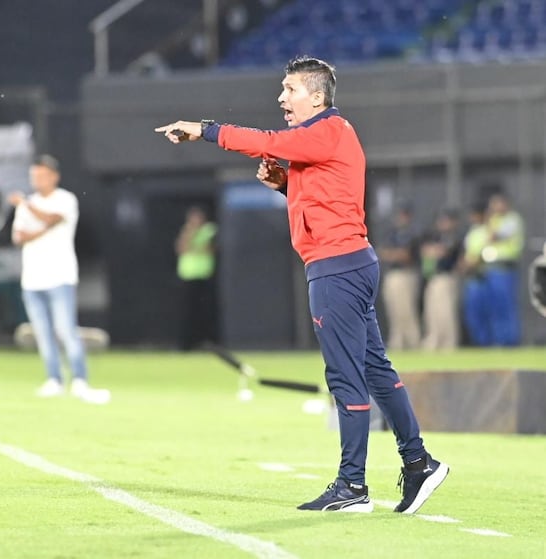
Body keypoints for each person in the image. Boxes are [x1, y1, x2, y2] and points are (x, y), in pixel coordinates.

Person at [155, 55, 448, 514]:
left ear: (316, 96)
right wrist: (284, 186)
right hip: (344, 262)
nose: (281, 98)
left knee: (346, 378)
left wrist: (205, 129)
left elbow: (269, 141)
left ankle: (353, 486)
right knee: (374, 371)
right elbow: (323, 200)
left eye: (289, 89)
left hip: (337, 267)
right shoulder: (325, 140)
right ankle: (418, 463)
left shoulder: (328, 129)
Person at [8, 154, 109, 404]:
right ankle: (54, 379)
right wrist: (39, 227)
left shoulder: (65, 199)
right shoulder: (28, 204)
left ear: (54, 176)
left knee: (66, 330)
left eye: (42, 175)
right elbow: (19, 237)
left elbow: (53, 218)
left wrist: (28, 208)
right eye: (34, 176)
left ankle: (80, 380)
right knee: (43, 334)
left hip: (60, 276)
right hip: (32, 279)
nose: (37, 180)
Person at [377, 202, 422, 350]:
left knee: (406, 310)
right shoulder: (392, 232)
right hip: (392, 274)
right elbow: (382, 252)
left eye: (404, 214)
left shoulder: (413, 233)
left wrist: (393, 254)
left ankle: (413, 342)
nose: (401, 217)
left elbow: (406, 256)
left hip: (406, 274)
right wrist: (393, 254)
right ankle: (398, 342)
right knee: (394, 311)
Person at [483, 191, 524, 346]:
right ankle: (499, 339)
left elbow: (494, 236)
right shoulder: (494, 219)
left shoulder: (513, 219)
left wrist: (489, 218)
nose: (495, 207)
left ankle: (511, 340)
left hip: (506, 267)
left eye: (498, 203)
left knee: (507, 305)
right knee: (495, 307)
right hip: (492, 268)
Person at [419, 208, 463, 350]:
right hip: (434, 276)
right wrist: (432, 251)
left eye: (446, 220)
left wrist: (433, 251)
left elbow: (442, 252)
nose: (443, 223)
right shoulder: (437, 236)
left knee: (445, 312)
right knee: (432, 311)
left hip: (447, 277)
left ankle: (449, 342)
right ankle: (434, 339)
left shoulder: (454, 237)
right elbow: (425, 251)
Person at [175, 206, 218, 350]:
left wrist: (195, 246)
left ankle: (205, 342)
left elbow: (208, 249)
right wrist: (190, 233)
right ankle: (186, 344)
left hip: (204, 276)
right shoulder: (187, 231)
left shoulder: (209, 230)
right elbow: (182, 248)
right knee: (187, 312)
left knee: (205, 311)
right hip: (188, 276)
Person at [460, 201, 493, 346]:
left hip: (484, 275)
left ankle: (491, 342)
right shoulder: (472, 232)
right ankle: (480, 342)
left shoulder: (488, 231)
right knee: (473, 313)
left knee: (488, 312)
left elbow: (483, 253)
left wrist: (471, 262)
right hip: (472, 276)